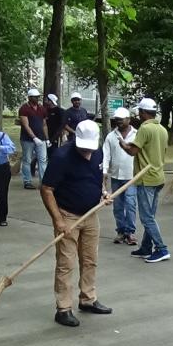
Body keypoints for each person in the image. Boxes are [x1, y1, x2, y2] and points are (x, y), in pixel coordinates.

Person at [40, 120, 113, 327]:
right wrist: (58, 221)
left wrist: (103, 193)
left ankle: (88, 299)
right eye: (84, 147)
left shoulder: (98, 152)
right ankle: (63, 308)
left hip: (91, 214)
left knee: (90, 259)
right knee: (66, 264)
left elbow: (98, 177)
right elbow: (46, 189)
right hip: (67, 215)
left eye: (91, 147)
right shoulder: (62, 157)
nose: (88, 152)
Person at [120, 97, 170, 263]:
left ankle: (161, 249)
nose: (138, 114)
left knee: (147, 217)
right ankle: (146, 247)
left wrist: (123, 144)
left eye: (139, 112)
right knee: (151, 216)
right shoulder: (162, 129)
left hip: (146, 178)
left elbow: (133, 151)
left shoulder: (144, 128)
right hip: (158, 176)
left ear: (142, 112)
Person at [102, 107, 138, 245]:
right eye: (116, 120)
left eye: (121, 120)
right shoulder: (111, 136)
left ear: (128, 120)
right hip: (116, 176)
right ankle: (121, 231)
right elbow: (106, 155)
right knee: (117, 206)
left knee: (130, 204)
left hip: (131, 177)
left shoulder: (136, 134)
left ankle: (130, 232)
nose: (118, 122)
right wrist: (105, 172)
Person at [18, 88, 48, 189]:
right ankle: (27, 181)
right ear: (29, 98)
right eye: (35, 97)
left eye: (37, 97)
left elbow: (44, 125)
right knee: (27, 160)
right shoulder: (24, 109)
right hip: (27, 139)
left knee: (43, 160)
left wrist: (46, 138)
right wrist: (34, 137)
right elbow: (26, 125)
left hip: (41, 138)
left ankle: (43, 182)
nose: (37, 99)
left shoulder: (42, 108)